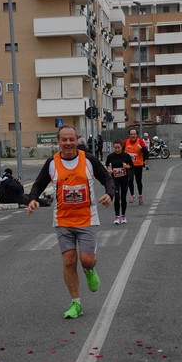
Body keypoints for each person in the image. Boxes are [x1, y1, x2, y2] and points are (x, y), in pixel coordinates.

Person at [27, 125, 114, 319]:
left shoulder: (88, 159)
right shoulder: (52, 163)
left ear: (77, 140)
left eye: (71, 139)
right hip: (63, 219)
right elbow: (39, 184)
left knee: (86, 259)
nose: (68, 143)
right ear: (58, 142)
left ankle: (89, 269)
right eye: (64, 140)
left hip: (87, 218)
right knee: (68, 260)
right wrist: (33, 198)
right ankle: (76, 304)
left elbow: (106, 178)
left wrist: (109, 194)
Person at [105, 140, 133, 224]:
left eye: (118, 148)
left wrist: (127, 166)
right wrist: (109, 169)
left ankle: (123, 215)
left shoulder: (126, 156)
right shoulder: (111, 156)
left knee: (123, 197)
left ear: (122, 147)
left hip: (124, 179)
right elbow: (107, 164)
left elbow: (131, 166)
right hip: (115, 179)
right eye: (115, 148)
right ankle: (117, 216)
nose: (117, 150)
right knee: (117, 197)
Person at [123, 128, 149, 205]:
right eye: (131, 134)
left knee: (138, 181)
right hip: (129, 166)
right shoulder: (126, 142)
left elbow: (146, 153)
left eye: (134, 134)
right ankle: (132, 195)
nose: (133, 135)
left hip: (138, 165)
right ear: (129, 135)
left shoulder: (140, 141)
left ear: (136, 135)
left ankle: (140, 196)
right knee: (130, 180)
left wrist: (142, 149)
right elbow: (120, 151)